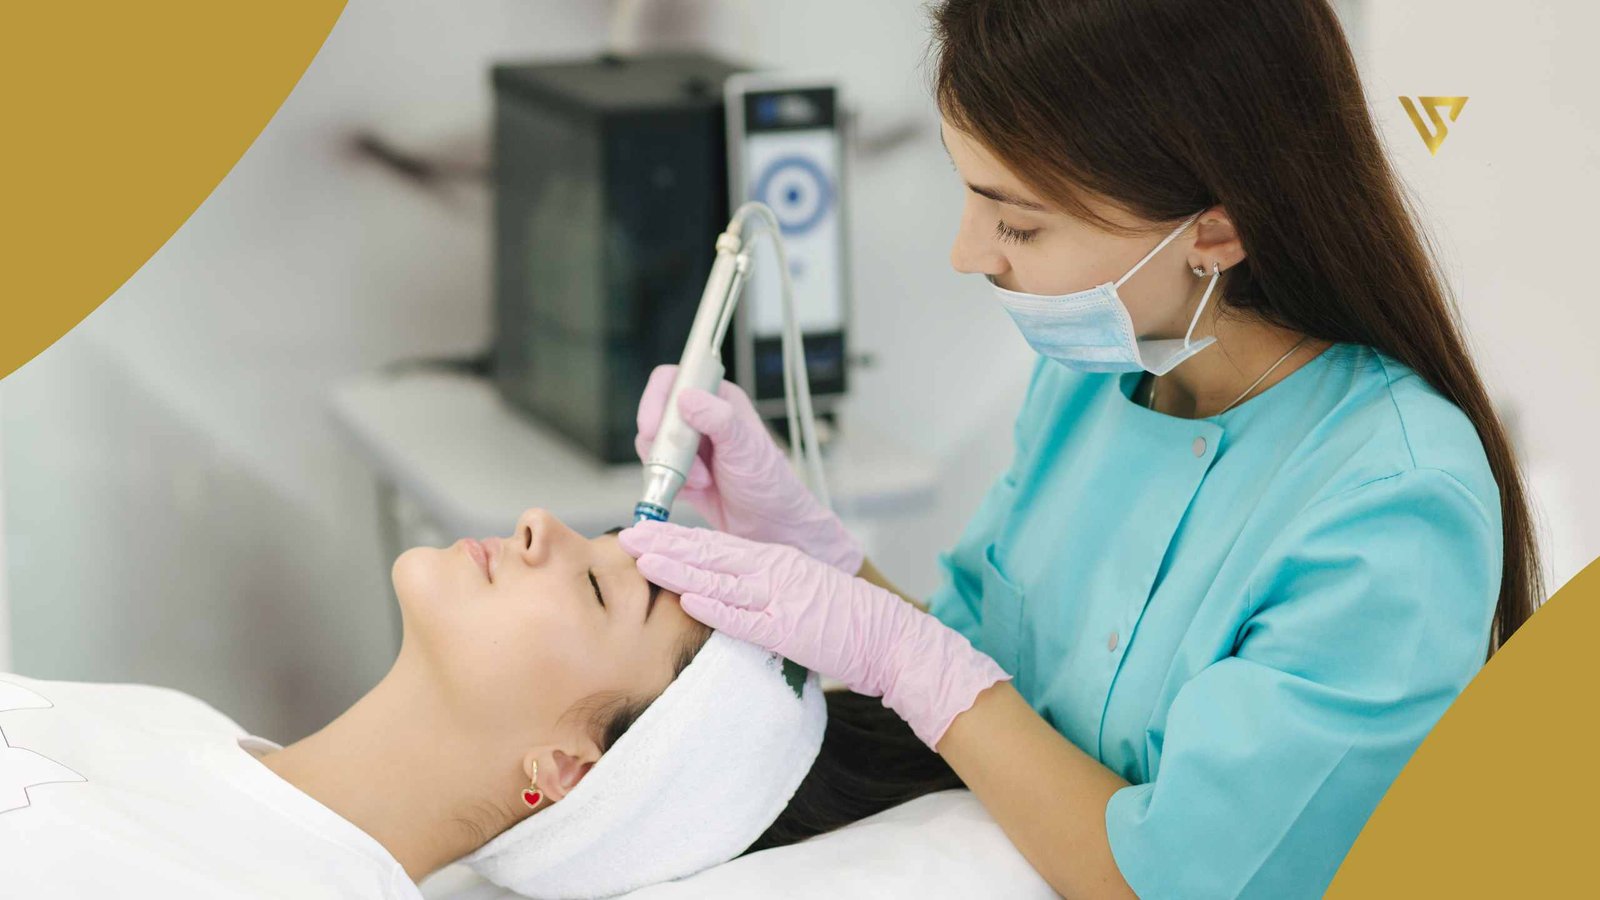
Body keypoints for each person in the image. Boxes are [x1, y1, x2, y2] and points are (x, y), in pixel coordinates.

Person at [621, 1, 1543, 897]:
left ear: (1215, 231)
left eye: (1017, 222)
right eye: (970, 194)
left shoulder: (1392, 506)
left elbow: (1173, 879)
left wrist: (904, 658)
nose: (969, 252)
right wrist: (817, 553)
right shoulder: (1095, 379)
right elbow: (984, 686)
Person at [0, 507, 962, 898]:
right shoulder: (177, 720)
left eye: (593, 587)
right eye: (596, 542)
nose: (541, 525)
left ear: (566, 771)